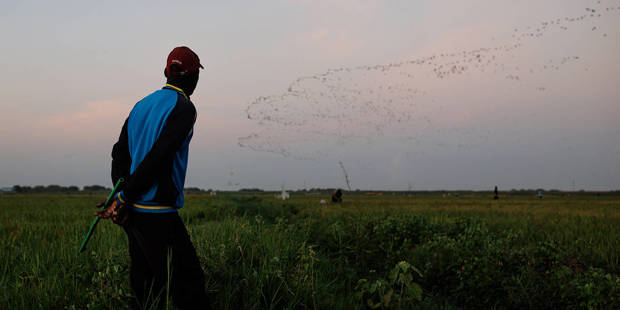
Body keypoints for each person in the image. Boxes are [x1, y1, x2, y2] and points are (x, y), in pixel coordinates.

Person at [95, 46, 210, 309]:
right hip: (156, 211)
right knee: (188, 285)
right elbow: (160, 157)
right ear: (194, 77)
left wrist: (121, 197)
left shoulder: (141, 105)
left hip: (133, 212)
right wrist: (123, 197)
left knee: (146, 288)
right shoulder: (184, 108)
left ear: (166, 72)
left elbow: (119, 154)